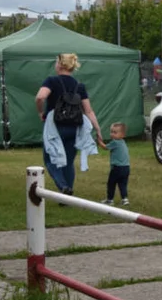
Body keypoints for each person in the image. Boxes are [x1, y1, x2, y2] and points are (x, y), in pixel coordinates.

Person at [35, 53, 104, 195]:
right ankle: (67, 194)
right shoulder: (79, 86)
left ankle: (63, 187)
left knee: (50, 159)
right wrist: (98, 130)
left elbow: (41, 97)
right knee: (68, 162)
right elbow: (89, 111)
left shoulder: (51, 81)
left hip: (55, 127)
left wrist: (41, 112)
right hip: (74, 127)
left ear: (60, 65)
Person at [98, 122, 131, 206]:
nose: (112, 134)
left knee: (111, 183)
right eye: (111, 131)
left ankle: (110, 199)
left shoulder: (115, 142)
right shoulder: (123, 142)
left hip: (117, 168)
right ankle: (125, 199)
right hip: (126, 168)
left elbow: (105, 147)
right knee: (122, 184)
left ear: (122, 135)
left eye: (115, 132)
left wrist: (99, 142)